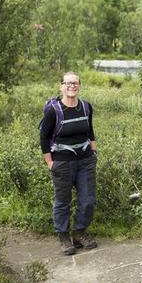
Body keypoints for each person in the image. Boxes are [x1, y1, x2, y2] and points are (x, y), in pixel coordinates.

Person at [40, 71, 98, 255]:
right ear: (61, 86)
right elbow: (44, 138)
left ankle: (79, 233)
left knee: (88, 200)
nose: (71, 86)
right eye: (68, 83)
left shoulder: (86, 107)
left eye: (75, 83)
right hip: (62, 164)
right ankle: (64, 237)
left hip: (85, 162)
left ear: (79, 85)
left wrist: (94, 153)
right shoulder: (53, 111)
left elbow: (91, 132)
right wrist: (50, 163)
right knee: (63, 201)